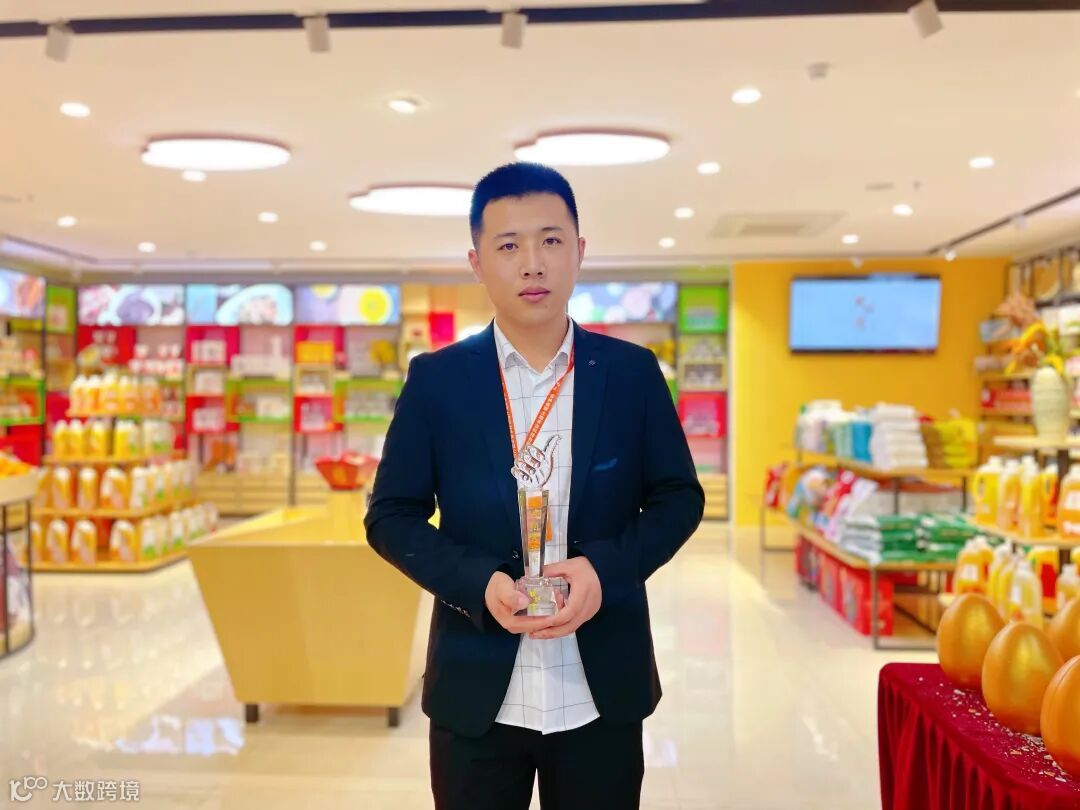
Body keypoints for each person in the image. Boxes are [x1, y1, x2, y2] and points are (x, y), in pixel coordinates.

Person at [365, 161, 704, 810]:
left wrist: (604, 570)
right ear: (477, 263)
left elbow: (678, 498)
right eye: (508, 246)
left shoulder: (631, 374)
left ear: (579, 251)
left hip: (601, 690)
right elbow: (392, 516)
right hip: (476, 692)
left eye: (551, 240)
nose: (532, 264)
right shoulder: (438, 381)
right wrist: (476, 582)